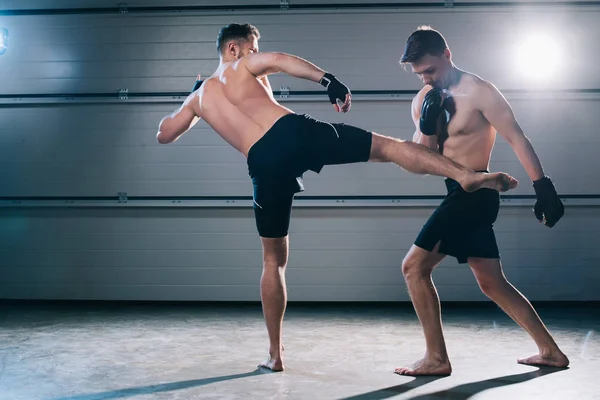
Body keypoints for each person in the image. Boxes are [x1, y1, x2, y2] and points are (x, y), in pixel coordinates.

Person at [156, 23, 518, 372]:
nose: (256, 53)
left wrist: (193, 95)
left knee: (273, 261)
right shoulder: (243, 64)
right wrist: (327, 80)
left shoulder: (198, 99)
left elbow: (165, 133)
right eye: (252, 47)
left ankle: (274, 355)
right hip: (291, 132)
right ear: (233, 48)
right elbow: (281, 59)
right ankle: (466, 176)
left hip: (263, 164)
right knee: (389, 147)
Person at [395, 25, 568, 376]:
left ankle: (436, 359)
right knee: (491, 282)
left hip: (475, 195)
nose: (426, 79)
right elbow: (421, 160)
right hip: (458, 191)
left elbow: (516, 136)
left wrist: (542, 186)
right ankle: (551, 351)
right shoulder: (423, 99)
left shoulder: (480, 91)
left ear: (447, 55)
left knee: (414, 267)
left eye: (430, 70)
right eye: (419, 74)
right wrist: (429, 122)